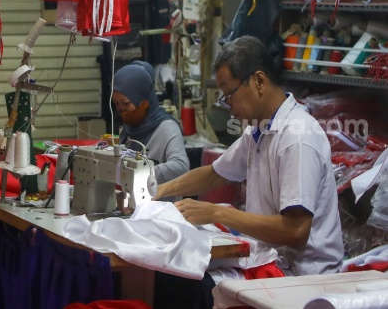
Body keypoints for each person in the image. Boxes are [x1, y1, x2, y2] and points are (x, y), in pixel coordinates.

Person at [153, 36, 343, 308]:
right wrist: (158, 191)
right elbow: (215, 173)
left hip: (301, 278)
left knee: (187, 287)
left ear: (259, 81)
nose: (228, 105)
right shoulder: (260, 130)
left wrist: (217, 212)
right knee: (172, 273)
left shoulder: (296, 137)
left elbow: (296, 229)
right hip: (270, 258)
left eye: (229, 93)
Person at [112, 61, 190, 202]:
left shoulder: (166, 127)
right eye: (116, 104)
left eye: (126, 103)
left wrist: (141, 172)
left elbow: (181, 166)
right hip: (134, 211)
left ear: (144, 100)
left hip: (160, 214)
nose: (121, 109)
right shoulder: (130, 128)